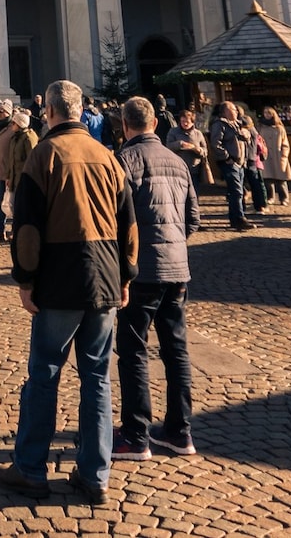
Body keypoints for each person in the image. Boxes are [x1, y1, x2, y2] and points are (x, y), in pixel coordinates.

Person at [0, 81, 137, 508]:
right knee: (96, 379)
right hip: (106, 280)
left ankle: (31, 469)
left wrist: (24, 278)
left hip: (58, 279)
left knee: (45, 375)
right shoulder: (108, 157)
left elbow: (28, 229)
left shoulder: (45, 155)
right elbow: (129, 225)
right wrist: (126, 276)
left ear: (51, 111)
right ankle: (96, 476)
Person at [112, 97, 201, 463]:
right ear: (154, 123)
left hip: (140, 273)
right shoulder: (178, 162)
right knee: (176, 351)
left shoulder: (124, 161)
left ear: (125, 125)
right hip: (178, 270)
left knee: (133, 352)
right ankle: (180, 432)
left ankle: (136, 436)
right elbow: (192, 219)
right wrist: (175, 246)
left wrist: (124, 263)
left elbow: (114, 222)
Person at [0, 104, 35, 244]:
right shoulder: (10, 133)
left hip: (20, 176)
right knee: (2, 202)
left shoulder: (27, 138)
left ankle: (18, 233)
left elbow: (31, 159)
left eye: (2, 111)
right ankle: (1, 230)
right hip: (7, 173)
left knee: (18, 205)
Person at [256, 107, 291, 206]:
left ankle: (284, 198)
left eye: (269, 113)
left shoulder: (279, 128)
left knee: (281, 180)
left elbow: (285, 143)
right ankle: (270, 197)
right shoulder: (260, 127)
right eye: (265, 113)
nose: (267, 115)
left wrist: (284, 155)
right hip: (265, 156)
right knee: (268, 179)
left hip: (278, 155)